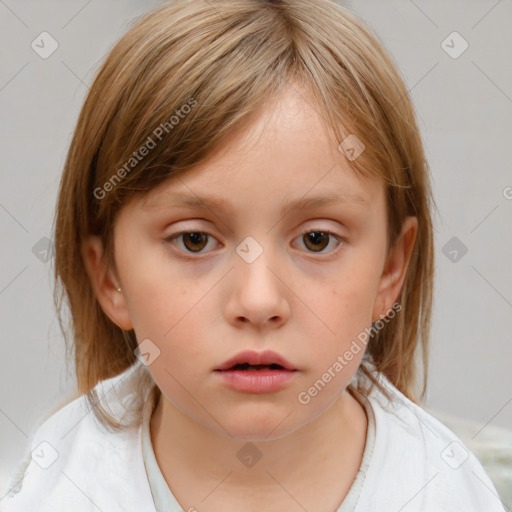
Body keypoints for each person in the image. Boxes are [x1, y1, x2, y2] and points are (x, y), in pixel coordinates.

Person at [2, 0, 506, 510]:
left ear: (390, 270)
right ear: (109, 275)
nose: (259, 300)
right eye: (194, 240)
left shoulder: (448, 492)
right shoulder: (54, 491)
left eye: (317, 240)